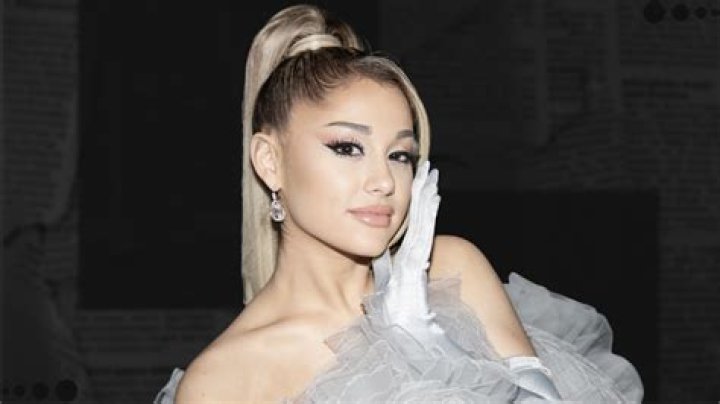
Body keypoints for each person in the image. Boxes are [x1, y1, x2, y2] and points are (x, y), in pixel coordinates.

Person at [155, 5, 643, 403]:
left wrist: (437, 349)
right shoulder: (225, 382)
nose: (384, 181)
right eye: (347, 147)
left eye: (400, 155)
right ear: (269, 161)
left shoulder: (451, 270)